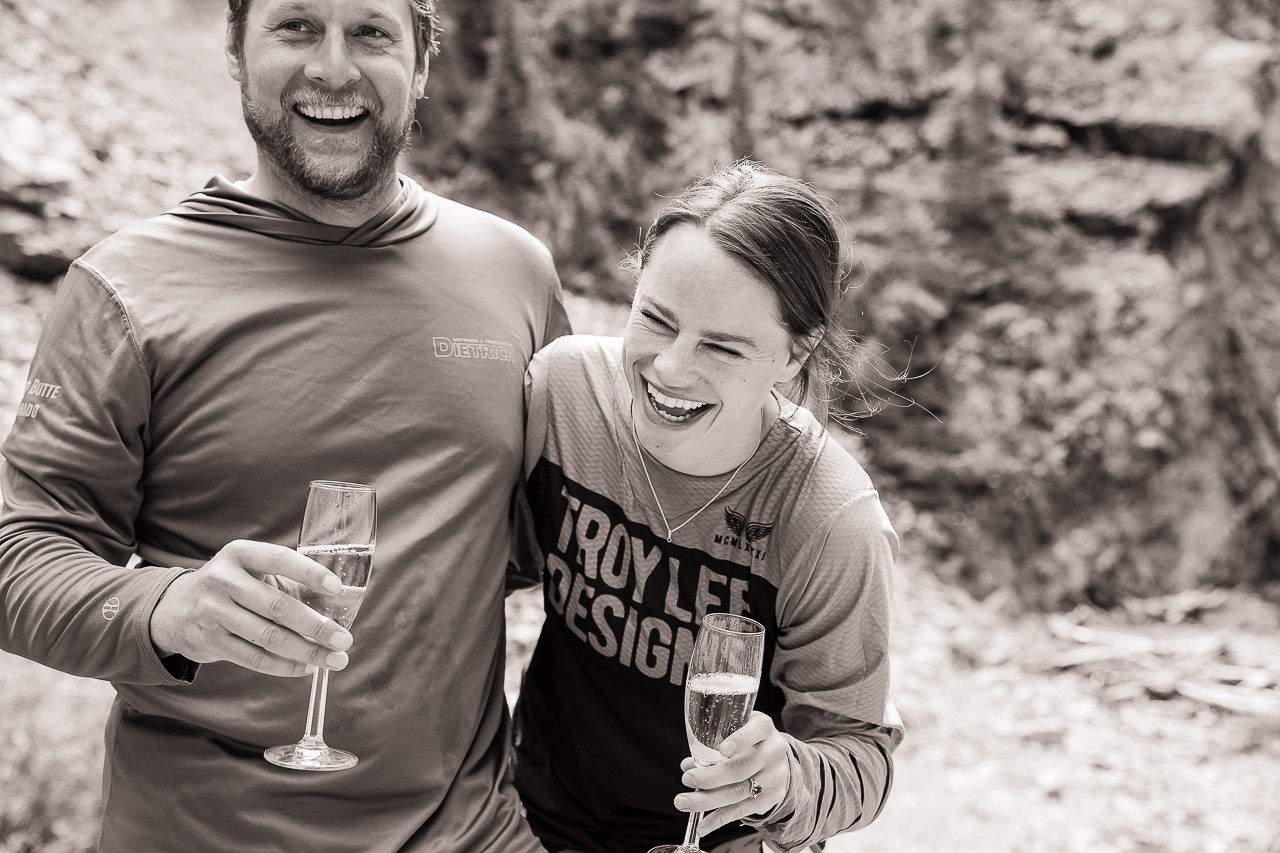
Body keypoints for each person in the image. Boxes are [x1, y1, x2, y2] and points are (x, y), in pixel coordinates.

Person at [0, 1, 568, 851]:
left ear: (420, 65)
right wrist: (170, 607)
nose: (333, 68)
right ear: (236, 50)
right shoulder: (124, 288)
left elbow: (545, 538)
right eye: (297, 26)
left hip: (473, 832)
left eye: (371, 32)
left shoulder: (514, 273)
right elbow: (19, 557)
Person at [511, 161, 902, 853]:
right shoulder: (564, 394)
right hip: (536, 822)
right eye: (655, 320)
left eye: (720, 347)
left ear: (794, 352)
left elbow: (861, 758)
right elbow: (471, 566)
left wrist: (786, 776)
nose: (669, 369)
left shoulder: (830, 514)